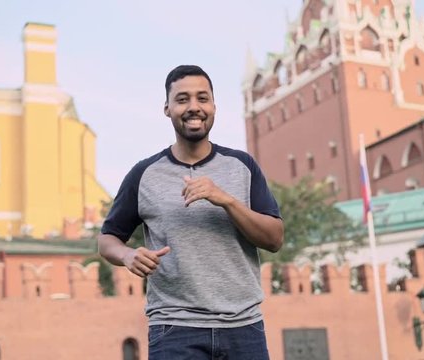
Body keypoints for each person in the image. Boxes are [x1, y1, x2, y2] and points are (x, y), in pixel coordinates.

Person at [98, 65, 284, 360]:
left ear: (213, 106)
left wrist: (226, 200)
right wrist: (128, 255)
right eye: (182, 99)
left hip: (243, 327)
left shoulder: (242, 166)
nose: (193, 107)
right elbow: (107, 239)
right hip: (174, 329)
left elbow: (274, 239)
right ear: (167, 108)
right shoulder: (144, 173)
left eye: (202, 98)